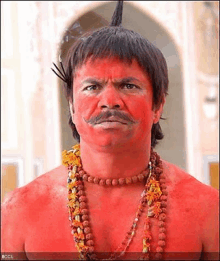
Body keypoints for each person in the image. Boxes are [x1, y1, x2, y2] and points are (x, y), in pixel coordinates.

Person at [1, 1, 219, 260]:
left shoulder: (207, 210)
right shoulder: (21, 209)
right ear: (71, 107)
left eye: (128, 85)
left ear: (157, 105)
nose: (109, 101)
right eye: (92, 87)